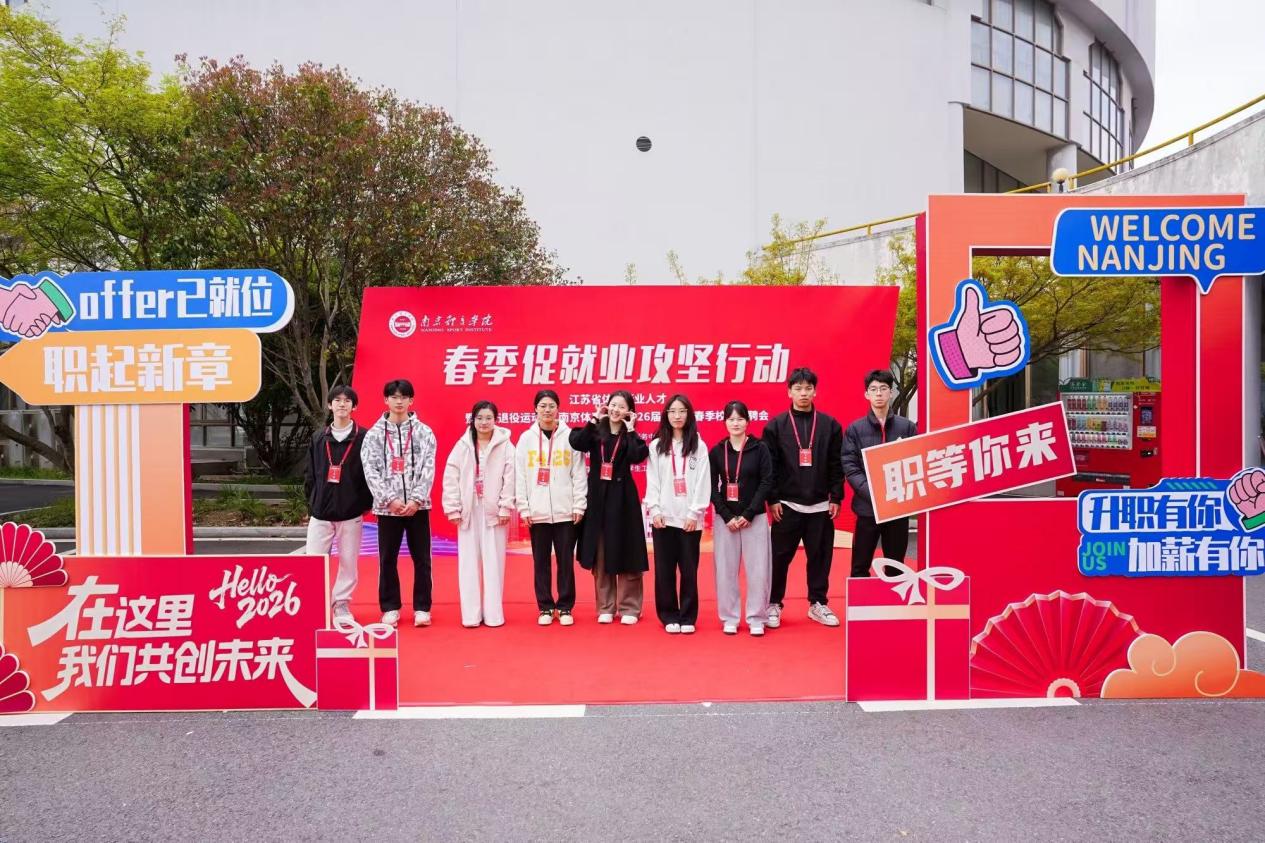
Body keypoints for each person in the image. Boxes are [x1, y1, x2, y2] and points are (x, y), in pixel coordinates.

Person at [763, 367, 845, 628]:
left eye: (808, 388)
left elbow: (836, 464)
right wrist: (773, 499)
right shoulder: (776, 426)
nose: (803, 393)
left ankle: (818, 603)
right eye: (798, 388)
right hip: (787, 506)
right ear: (789, 392)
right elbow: (770, 468)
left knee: (820, 558)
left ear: (815, 391)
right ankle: (773, 603)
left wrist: (836, 497)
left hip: (820, 505)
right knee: (779, 558)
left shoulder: (830, 426)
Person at [361, 379, 437, 628]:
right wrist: (389, 500)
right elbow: (370, 470)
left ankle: (422, 608)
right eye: (393, 397)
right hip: (387, 509)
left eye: (404, 397)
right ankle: (390, 608)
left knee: (422, 559)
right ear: (386, 400)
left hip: (418, 508)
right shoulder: (374, 435)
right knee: (387, 559)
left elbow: (428, 468)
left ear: (411, 400)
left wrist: (416, 499)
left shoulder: (424, 432)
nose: (399, 401)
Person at [571, 390, 650, 625]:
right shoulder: (596, 431)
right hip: (598, 499)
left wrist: (632, 429)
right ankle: (605, 606)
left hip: (624, 499)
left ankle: (629, 607)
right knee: (601, 552)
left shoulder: (630, 436)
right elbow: (577, 442)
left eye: (622, 407)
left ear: (629, 411)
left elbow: (638, 456)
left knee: (628, 550)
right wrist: (594, 418)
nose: (616, 410)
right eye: (613, 405)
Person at [514, 389, 587, 626]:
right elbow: (520, 476)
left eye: (551, 405)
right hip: (538, 513)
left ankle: (565, 607)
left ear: (558, 409)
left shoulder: (570, 437)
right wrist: (524, 508)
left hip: (566, 512)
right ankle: (545, 607)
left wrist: (579, 505)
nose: (547, 410)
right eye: (543, 406)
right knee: (541, 562)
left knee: (565, 562)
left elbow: (579, 473)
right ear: (535, 409)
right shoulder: (526, 439)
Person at [303, 385, 374, 626]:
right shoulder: (318, 438)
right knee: (314, 561)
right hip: (320, 513)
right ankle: (314, 603)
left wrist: (363, 503)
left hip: (351, 513)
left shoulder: (364, 437)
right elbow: (310, 474)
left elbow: (370, 474)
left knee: (348, 561)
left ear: (354, 406)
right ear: (329, 405)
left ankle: (341, 603)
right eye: (337, 400)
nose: (342, 404)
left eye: (347, 401)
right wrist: (312, 503)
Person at [441, 400, 516, 628]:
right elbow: (451, 477)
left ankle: (494, 615)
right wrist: (453, 508)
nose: (484, 423)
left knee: (494, 563)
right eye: (480, 418)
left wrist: (505, 507)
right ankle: (471, 615)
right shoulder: (462, 445)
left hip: (494, 511)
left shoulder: (506, 446)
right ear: (472, 420)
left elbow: (511, 479)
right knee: (468, 563)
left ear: (496, 420)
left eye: (488, 418)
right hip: (469, 509)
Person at [644, 394, 711, 634]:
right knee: (664, 570)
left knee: (689, 570)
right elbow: (652, 480)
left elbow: (703, 481)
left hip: (689, 520)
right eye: (672, 411)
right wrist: (655, 510)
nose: (677, 416)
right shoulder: (656, 445)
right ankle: (669, 614)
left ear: (689, 414)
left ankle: (688, 616)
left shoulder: (699, 445)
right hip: (664, 518)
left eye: (682, 411)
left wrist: (694, 513)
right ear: (666, 415)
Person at [841, 369, 918, 577]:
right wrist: (872, 493)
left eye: (883, 389)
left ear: (891, 393)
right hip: (868, 506)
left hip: (897, 506)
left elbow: (915, 461)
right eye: (873, 389)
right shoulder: (855, 429)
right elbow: (850, 465)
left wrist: (898, 492)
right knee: (860, 565)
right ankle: (860, 597)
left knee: (896, 567)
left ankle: (895, 596)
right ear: (866, 394)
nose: (879, 394)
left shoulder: (907, 427)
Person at [709, 400, 775, 636]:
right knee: (725, 570)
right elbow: (711, 487)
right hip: (725, 520)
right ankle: (730, 617)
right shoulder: (717, 451)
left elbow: (766, 482)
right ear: (724, 422)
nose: (735, 423)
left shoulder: (760, 449)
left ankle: (757, 617)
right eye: (731, 419)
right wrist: (726, 515)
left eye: (740, 419)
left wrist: (749, 513)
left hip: (754, 518)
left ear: (748, 421)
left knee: (759, 570)